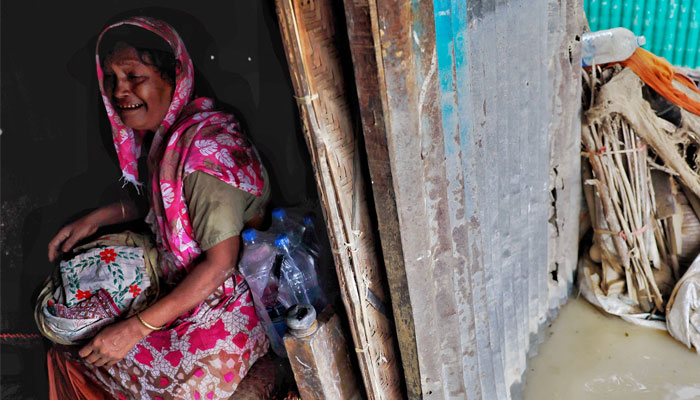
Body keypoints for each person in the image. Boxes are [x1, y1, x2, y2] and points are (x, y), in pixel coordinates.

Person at [43, 16, 270, 399]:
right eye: (112, 78)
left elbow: (221, 264)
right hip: (188, 283)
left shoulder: (202, 155)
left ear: (174, 75)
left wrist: (135, 329)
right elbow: (162, 203)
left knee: (87, 354)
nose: (120, 91)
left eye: (134, 76)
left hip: (233, 303)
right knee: (75, 316)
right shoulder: (169, 138)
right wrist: (95, 219)